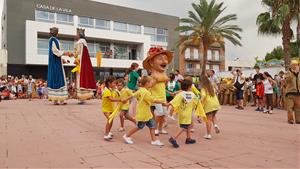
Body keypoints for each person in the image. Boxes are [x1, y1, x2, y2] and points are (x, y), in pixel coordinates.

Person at [122, 76, 165, 146]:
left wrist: (125, 99)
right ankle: (126, 136)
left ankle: (154, 140)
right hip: (144, 114)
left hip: (146, 113)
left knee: (152, 126)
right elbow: (152, 100)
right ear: (147, 83)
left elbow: (133, 95)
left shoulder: (140, 90)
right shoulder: (146, 92)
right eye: (151, 82)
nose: (152, 84)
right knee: (139, 127)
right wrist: (162, 102)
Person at [142, 47, 174, 136]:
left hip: (163, 98)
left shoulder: (163, 75)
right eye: (160, 59)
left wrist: (169, 92)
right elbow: (147, 87)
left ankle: (160, 129)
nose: (164, 61)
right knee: (160, 113)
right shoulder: (153, 77)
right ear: (152, 63)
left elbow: (162, 87)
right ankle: (154, 128)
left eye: (165, 59)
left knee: (164, 114)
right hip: (156, 98)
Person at [168, 79, 205, 148]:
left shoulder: (180, 94)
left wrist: (168, 105)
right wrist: (199, 115)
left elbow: (174, 102)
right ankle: (173, 138)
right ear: (189, 87)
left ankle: (188, 138)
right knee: (183, 127)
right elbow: (197, 104)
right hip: (188, 114)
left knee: (188, 125)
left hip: (182, 113)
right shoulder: (193, 95)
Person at [70, 28, 96, 104]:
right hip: (83, 63)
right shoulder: (84, 43)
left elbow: (78, 53)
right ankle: (82, 98)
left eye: (77, 34)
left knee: (80, 79)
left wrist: (74, 56)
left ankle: (81, 98)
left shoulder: (79, 42)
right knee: (82, 78)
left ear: (79, 35)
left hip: (80, 62)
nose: (76, 35)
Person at [47, 27, 69, 105]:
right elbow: (55, 51)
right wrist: (64, 53)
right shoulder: (53, 40)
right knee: (58, 79)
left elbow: (57, 53)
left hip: (57, 62)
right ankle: (57, 99)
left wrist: (63, 60)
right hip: (55, 64)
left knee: (58, 79)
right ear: (56, 33)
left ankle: (60, 99)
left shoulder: (54, 40)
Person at [102, 76, 123, 140]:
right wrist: (120, 100)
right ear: (109, 83)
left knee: (111, 121)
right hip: (106, 109)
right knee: (109, 120)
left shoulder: (113, 90)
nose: (115, 85)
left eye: (115, 83)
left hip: (111, 109)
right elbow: (111, 99)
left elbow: (118, 96)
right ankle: (106, 134)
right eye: (114, 83)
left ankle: (108, 132)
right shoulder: (106, 90)